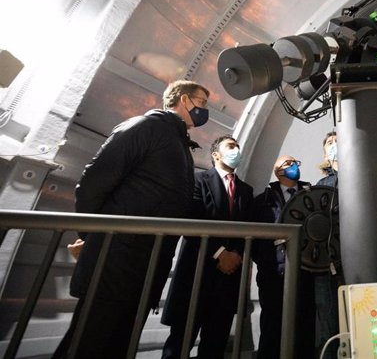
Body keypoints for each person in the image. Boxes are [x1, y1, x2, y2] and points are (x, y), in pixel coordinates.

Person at [53, 80, 209, 359]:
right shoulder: (146, 127)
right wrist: (93, 236)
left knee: (117, 346)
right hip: (115, 264)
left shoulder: (179, 145)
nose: (205, 110)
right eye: (202, 102)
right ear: (184, 100)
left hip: (143, 266)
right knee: (87, 344)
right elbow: (93, 182)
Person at [160, 135, 254, 359]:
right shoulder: (197, 180)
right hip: (196, 275)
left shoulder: (246, 191)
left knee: (215, 345)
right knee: (179, 344)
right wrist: (221, 253)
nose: (237, 150)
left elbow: (249, 229)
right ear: (215, 155)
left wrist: (237, 255)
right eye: (231, 146)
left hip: (228, 279)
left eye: (238, 147)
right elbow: (193, 219)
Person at [251, 155, 316, 359]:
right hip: (274, 275)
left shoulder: (312, 194)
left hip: (306, 272)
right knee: (272, 327)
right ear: (276, 170)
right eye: (288, 164)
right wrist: (267, 261)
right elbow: (254, 240)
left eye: (296, 162)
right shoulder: (262, 201)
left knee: (305, 327)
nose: (293, 166)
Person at [314, 131, 343, 359]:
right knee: (330, 322)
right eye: (329, 143)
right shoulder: (322, 185)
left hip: (359, 259)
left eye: (337, 141)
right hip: (330, 262)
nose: (334, 145)